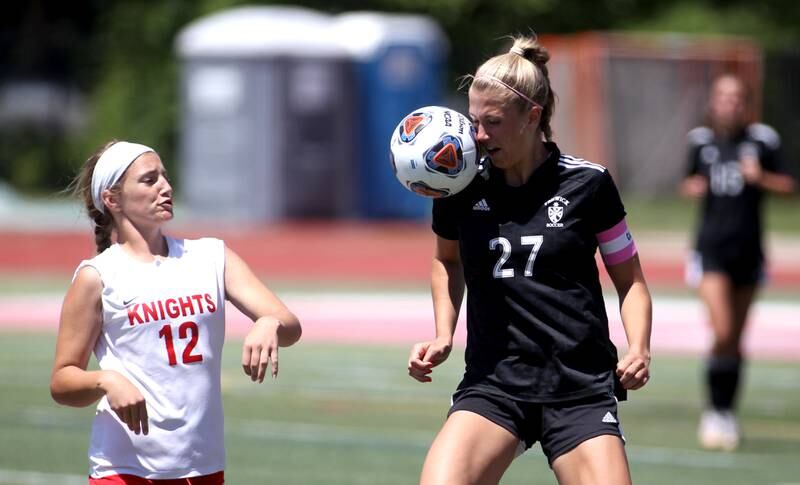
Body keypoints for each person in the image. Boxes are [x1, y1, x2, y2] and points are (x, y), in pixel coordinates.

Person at [406, 35, 652, 485]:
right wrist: (444, 332)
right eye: (474, 120)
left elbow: (631, 280)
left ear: (532, 116)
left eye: (493, 123)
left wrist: (639, 346)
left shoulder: (589, 184)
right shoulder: (459, 185)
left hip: (580, 391)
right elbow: (447, 260)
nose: (478, 136)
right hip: (495, 386)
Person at [50, 140, 302, 483]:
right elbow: (63, 381)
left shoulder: (211, 257)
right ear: (112, 199)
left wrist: (269, 322)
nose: (165, 187)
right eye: (149, 180)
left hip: (202, 466)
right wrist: (105, 380)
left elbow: (290, 326)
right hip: (124, 470)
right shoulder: (97, 277)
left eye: (165, 177)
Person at [681, 74, 796, 451]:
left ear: (745, 102)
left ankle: (725, 412)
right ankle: (714, 410)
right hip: (711, 249)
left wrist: (760, 177)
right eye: (722, 96)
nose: (729, 103)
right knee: (723, 331)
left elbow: (788, 185)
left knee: (736, 340)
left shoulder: (763, 139)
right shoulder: (701, 140)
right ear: (713, 102)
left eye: (736, 97)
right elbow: (687, 181)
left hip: (749, 251)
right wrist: (693, 187)